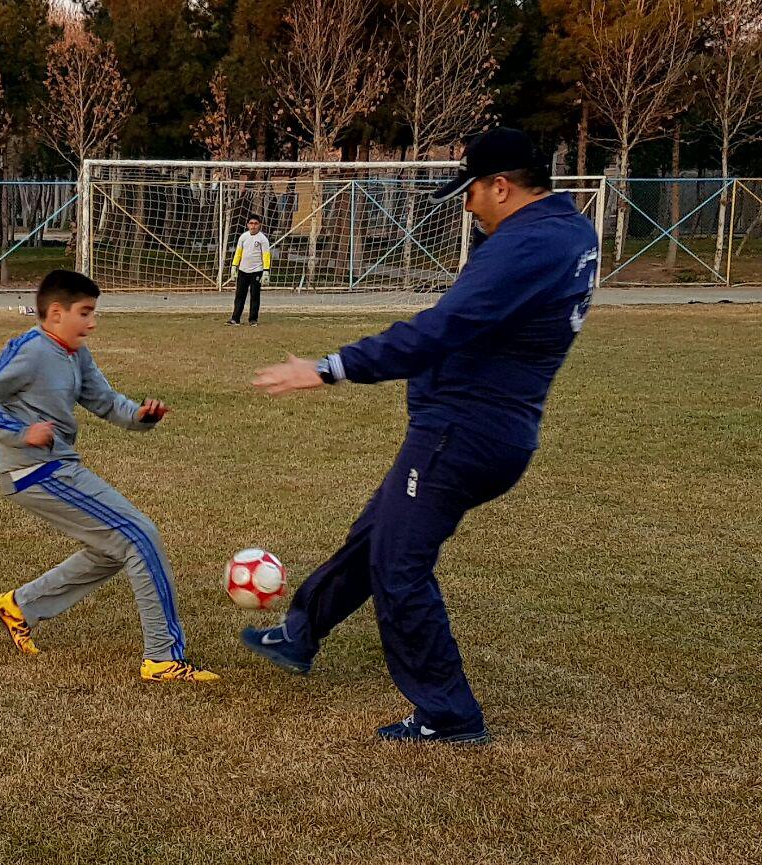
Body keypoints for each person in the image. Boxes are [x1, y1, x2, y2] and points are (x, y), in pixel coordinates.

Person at [242, 127, 600, 744]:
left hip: (462, 432)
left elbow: (441, 329)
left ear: (502, 186)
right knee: (376, 534)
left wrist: (329, 368)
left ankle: (449, 712)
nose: (466, 207)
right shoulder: (568, 230)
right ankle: (300, 632)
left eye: (472, 193)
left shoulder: (525, 246)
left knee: (398, 565)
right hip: (492, 426)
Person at [0, 270, 218, 683]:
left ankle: (20, 606)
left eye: (94, 312)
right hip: (34, 470)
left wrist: (140, 415)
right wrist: (21, 433)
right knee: (140, 536)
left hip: (57, 466)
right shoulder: (29, 350)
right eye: (85, 313)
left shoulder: (75, 352)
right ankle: (162, 658)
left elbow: (105, 401)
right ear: (56, 313)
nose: (92, 323)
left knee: (113, 549)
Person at [227, 214, 272, 326]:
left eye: (256, 224)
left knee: (254, 296)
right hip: (243, 271)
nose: (253, 226)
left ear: (259, 225)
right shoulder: (243, 237)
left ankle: (253, 319)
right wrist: (234, 266)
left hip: (257, 271)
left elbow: (266, 256)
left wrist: (266, 271)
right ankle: (235, 318)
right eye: (251, 223)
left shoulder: (263, 239)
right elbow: (238, 253)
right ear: (247, 225)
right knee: (239, 295)